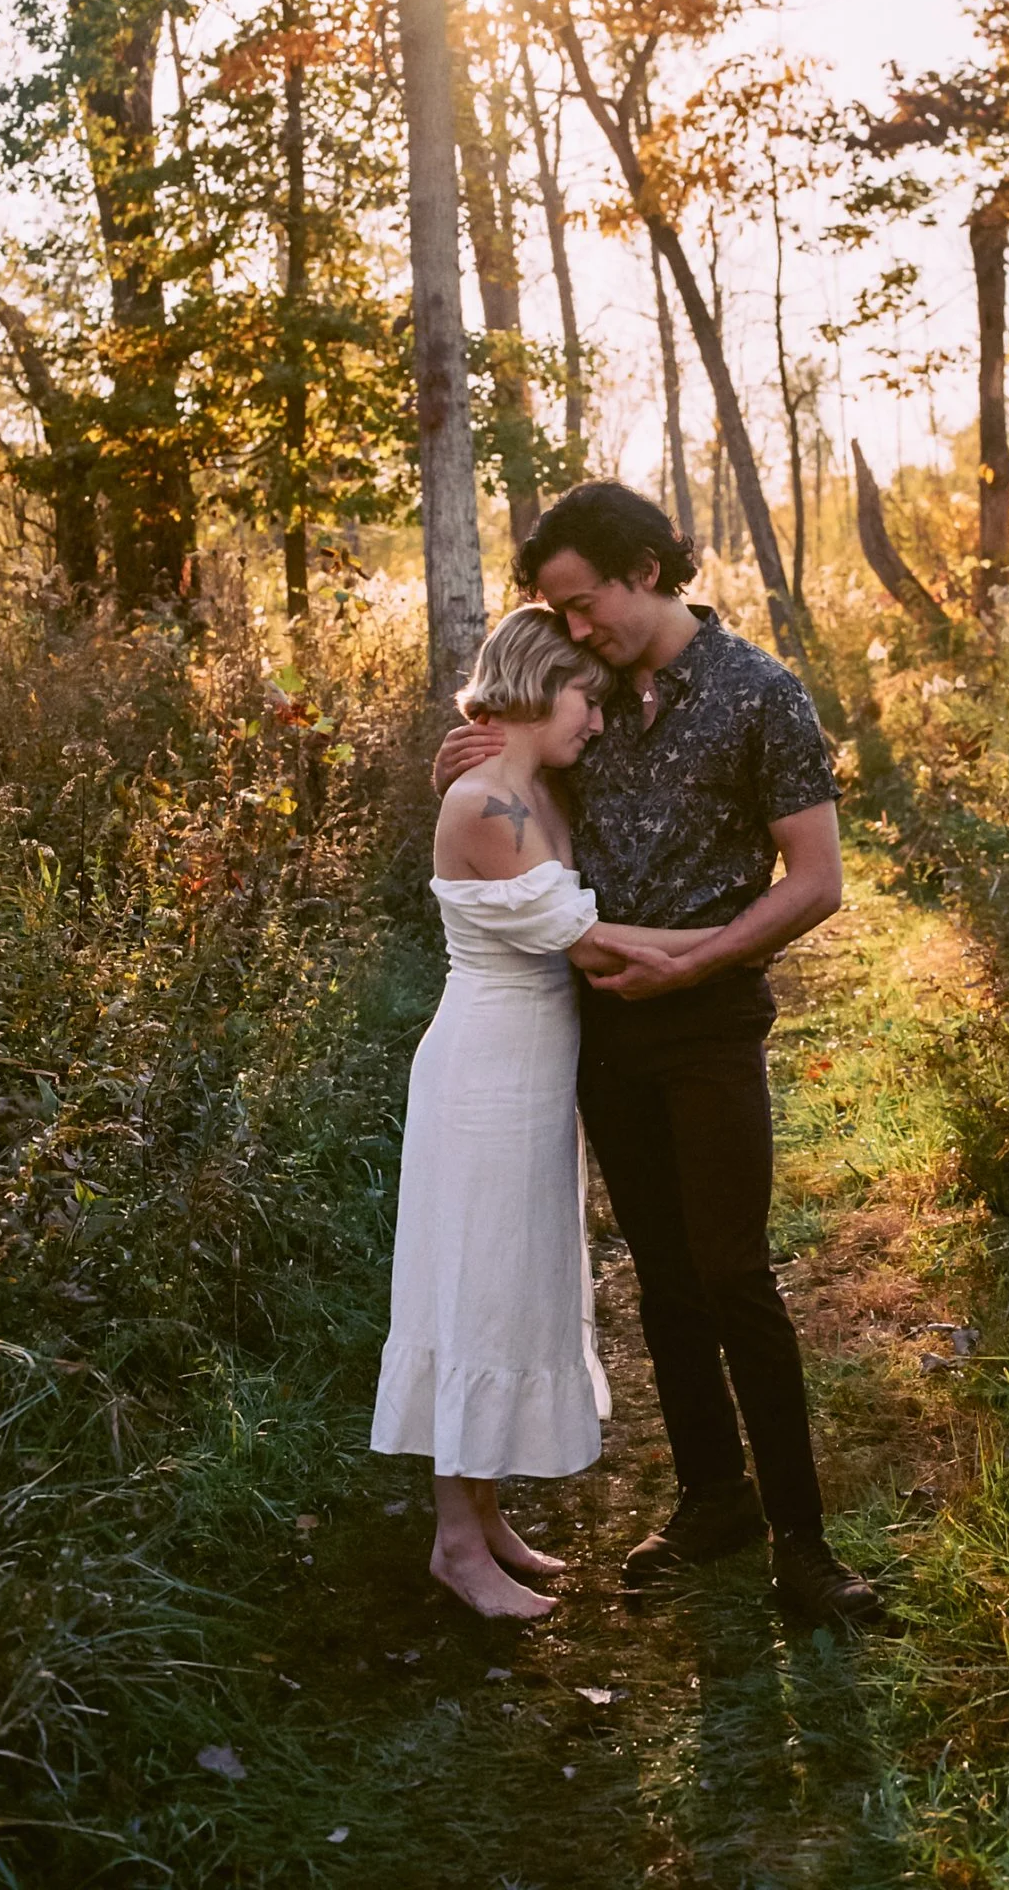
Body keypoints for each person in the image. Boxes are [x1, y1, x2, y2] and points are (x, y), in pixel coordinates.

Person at [435, 483, 880, 1624]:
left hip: (708, 1021)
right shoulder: (579, 701)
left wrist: (698, 963)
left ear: (645, 567)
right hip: (596, 1026)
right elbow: (516, 823)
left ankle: (804, 1542)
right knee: (664, 1280)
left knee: (734, 1271)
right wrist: (486, 758)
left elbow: (817, 883)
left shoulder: (760, 693)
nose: (575, 630)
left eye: (584, 605)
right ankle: (711, 1499)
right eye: (558, 617)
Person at [372, 605, 724, 1620]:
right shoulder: (491, 803)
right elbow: (590, 941)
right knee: (472, 1289)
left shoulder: (535, 790)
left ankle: (485, 1515)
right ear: (535, 684)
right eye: (586, 697)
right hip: (483, 1078)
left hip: (529, 1081)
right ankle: (452, 1541)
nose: (599, 721)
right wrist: (733, 937)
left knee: (514, 1286)